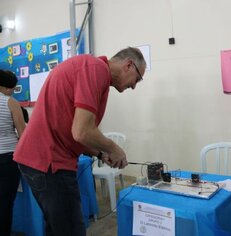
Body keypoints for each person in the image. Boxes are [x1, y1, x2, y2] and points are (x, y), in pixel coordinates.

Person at [14, 47, 146, 236]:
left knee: (58, 226)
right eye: (138, 79)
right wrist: (114, 148)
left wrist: (100, 153)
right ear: (128, 65)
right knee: (70, 229)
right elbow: (82, 131)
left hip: (40, 159)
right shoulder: (95, 69)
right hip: (49, 161)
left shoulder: (94, 70)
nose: (134, 86)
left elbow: (72, 129)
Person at [0, 70, 26, 236]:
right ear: (8, 87)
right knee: (5, 202)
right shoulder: (10, 102)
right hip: (7, 159)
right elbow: (23, 134)